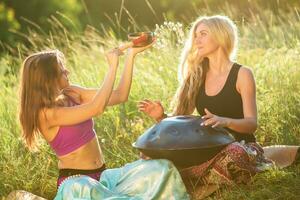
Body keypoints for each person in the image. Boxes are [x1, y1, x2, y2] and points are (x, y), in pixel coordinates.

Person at [138, 15, 299, 198]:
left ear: (221, 35)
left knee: (235, 154)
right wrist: (161, 116)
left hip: (240, 146)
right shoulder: (196, 75)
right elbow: (180, 126)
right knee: (149, 156)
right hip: (206, 150)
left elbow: (251, 123)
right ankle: (206, 177)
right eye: (196, 35)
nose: (196, 40)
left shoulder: (242, 74)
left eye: (203, 34)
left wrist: (225, 122)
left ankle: (196, 180)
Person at [18, 43, 189, 199]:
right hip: (77, 184)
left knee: (161, 168)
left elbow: (120, 95)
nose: (67, 72)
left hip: (103, 177)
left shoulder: (72, 93)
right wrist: (112, 66)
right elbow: (96, 108)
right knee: (86, 187)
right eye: (62, 70)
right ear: (48, 78)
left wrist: (130, 56)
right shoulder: (46, 114)